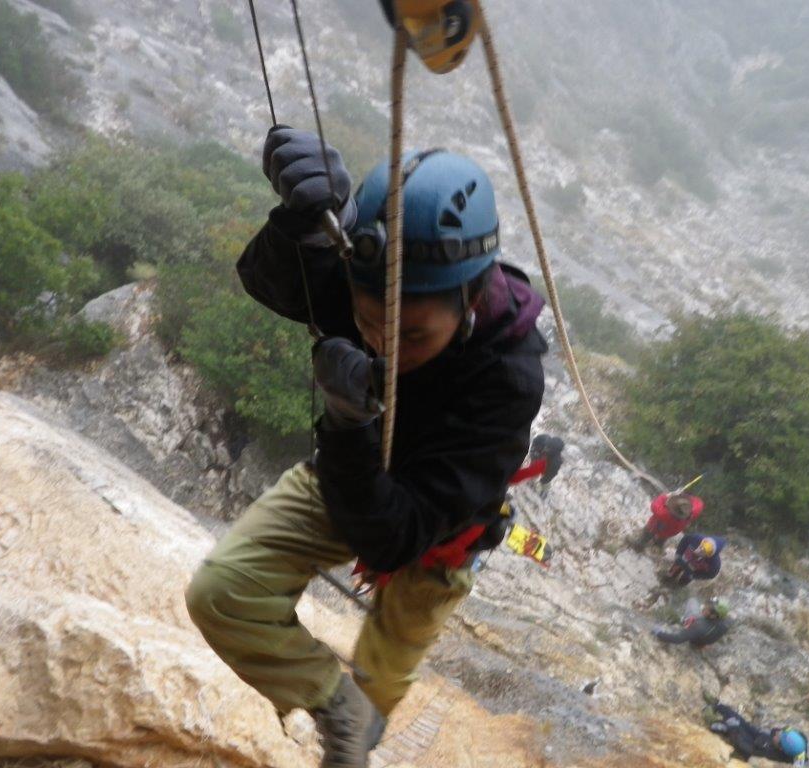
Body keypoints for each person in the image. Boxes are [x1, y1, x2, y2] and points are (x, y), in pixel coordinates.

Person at [185, 128, 546, 768]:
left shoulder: (506, 376)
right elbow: (273, 282)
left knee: (377, 691)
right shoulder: (370, 281)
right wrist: (302, 226)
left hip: (438, 524)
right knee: (222, 593)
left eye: (412, 333)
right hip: (351, 475)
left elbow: (393, 538)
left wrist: (350, 421)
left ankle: (357, 728)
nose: (382, 340)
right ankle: (337, 708)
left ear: (468, 301)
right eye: (369, 316)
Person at [704, 697, 809, 765]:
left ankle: (713, 720)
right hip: (761, 738)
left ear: (780, 748)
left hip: (752, 746)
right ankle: (719, 706)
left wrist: (732, 727)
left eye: (780, 736)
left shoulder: (769, 753)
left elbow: (744, 745)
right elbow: (777, 732)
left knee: (734, 726)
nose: (778, 733)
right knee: (741, 721)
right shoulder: (798, 742)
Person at [633, 491, 704, 550]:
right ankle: (657, 547)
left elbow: (654, 505)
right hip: (670, 533)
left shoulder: (664, 513)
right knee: (661, 540)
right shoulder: (691, 513)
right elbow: (699, 503)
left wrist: (666, 496)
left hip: (654, 527)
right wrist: (686, 497)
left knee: (645, 537)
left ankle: (639, 545)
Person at [653, 597, 731, 648]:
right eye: (708, 605)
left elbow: (677, 639)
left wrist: (658, 632)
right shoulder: (726, 622)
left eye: (708, 608)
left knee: (692, 601)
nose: (705, 607)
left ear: (713, 616)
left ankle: (684, 620)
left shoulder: (699, 626)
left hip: (695, 638)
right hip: (702, 640)